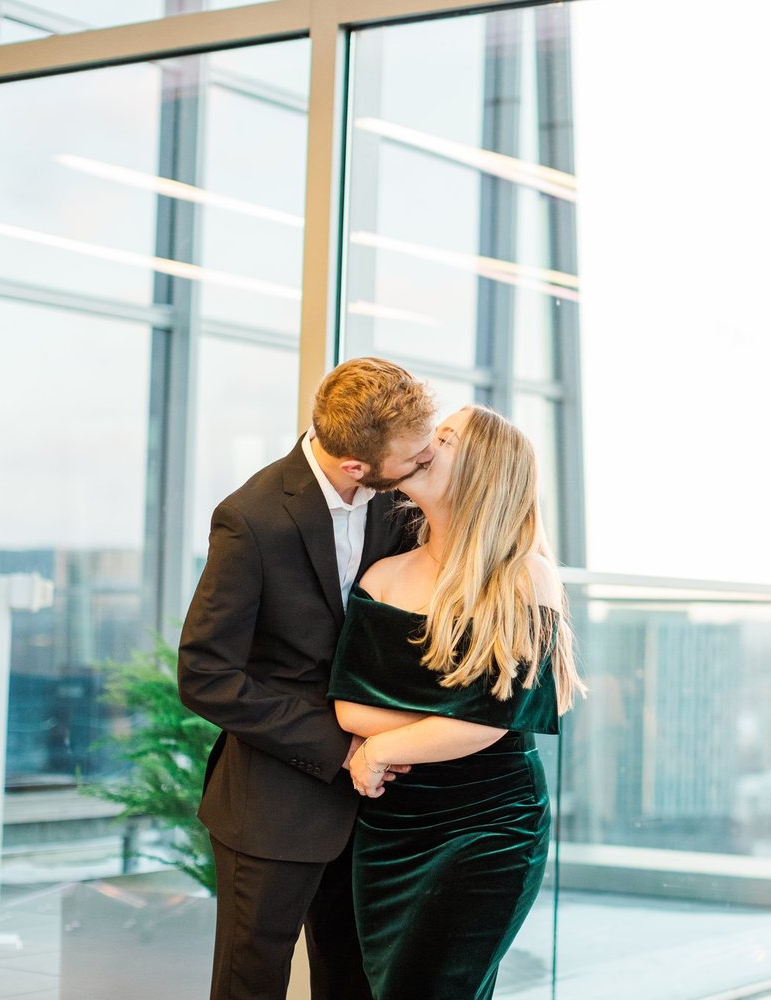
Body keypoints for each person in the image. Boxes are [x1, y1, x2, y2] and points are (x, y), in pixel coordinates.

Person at [178, 357, 436, 1000]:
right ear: (357, 466)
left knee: (353, 982)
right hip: (274, 806)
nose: (425, 463)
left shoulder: (399, 501)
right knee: (251, 985)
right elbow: (205, 674)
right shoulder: (251, 518)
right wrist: (342, 745)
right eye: (414, 457)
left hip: (381, 807)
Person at [329, 404, 585, 1000]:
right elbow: (350, 710)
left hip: (489, 827)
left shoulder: (525, 577)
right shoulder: (383, 576)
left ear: (482, 470)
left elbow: (487, 725)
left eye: (443, 437)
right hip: (391, 830)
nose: (423, 443)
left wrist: (383, 748)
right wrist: (442, 717)